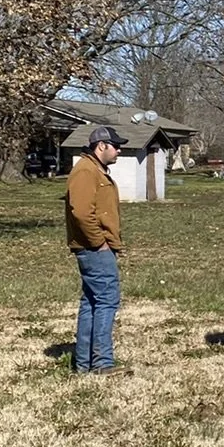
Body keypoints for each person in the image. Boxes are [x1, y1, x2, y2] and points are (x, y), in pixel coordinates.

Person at [65, 125, 126, 373]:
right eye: (116, 146)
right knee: (106, 301)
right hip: (94, 249)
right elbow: (80, 212)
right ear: (101, 146)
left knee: (92, 302)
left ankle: (84, 364)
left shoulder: (95, 170)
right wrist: (99, 242)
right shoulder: (86, 171)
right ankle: (102, 363)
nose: (119, 150)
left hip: (96, 247)